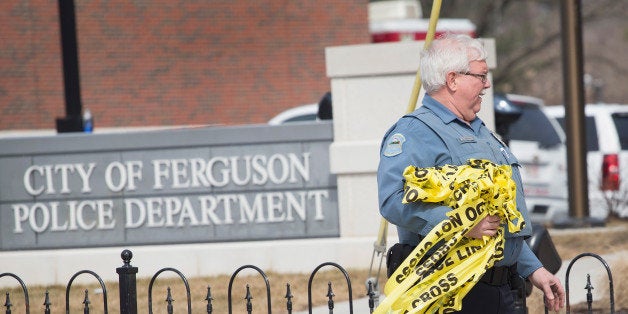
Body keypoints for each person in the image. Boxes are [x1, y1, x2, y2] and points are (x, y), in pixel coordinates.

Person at [376, 33, 565, 313]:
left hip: (503, 290)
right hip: (453, 294)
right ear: (452, 79)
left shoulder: (481, 132)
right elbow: (392, 200)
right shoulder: (415, 133)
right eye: (481, 75)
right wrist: (461, 223)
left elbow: (498, 222)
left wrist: (534, 270)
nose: (487, 84)